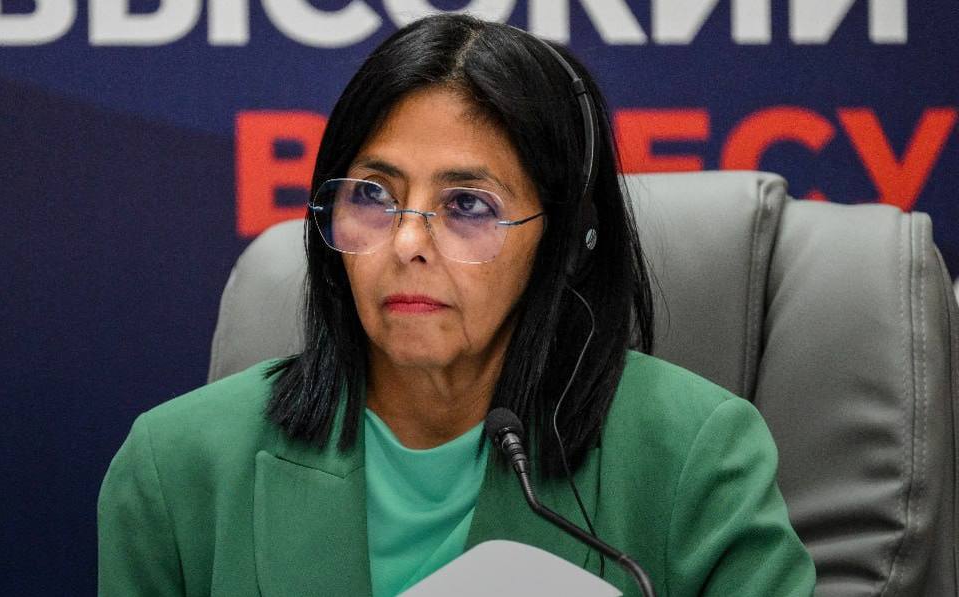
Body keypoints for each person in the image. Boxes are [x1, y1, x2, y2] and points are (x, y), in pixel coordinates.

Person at [98, 14, 816, 597]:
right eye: (372, 195)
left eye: (468, 205)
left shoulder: (696, 457)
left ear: (567, 242)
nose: (408, 242)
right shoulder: (176, 468)